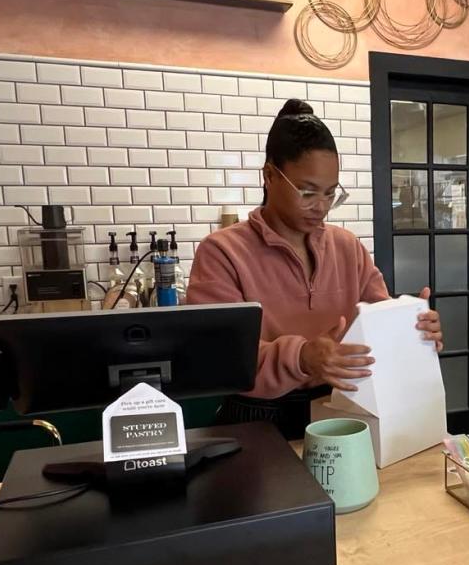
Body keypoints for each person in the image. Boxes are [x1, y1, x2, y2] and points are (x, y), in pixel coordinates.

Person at [188, 99, 443, 438]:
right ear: (269, 175)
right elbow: (218, 360)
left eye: (330, 193)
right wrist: (301, 357)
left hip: (341, 411)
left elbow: (377, 326)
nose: (321, 207)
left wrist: (412, 329)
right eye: (307, 192)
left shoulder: (347, 247)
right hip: (257, 419)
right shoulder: (222, 252)